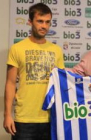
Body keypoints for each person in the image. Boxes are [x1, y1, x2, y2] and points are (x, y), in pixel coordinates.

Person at [3, 3, 64, 140]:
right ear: (30, 22)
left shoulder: (57, 50)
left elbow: (61, 84)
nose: (44, 26)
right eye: (40, 21)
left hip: (50, 119)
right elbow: (11, 83)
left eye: (47, 22)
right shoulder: (17, 48)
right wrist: (7, 115)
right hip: (24, 120)